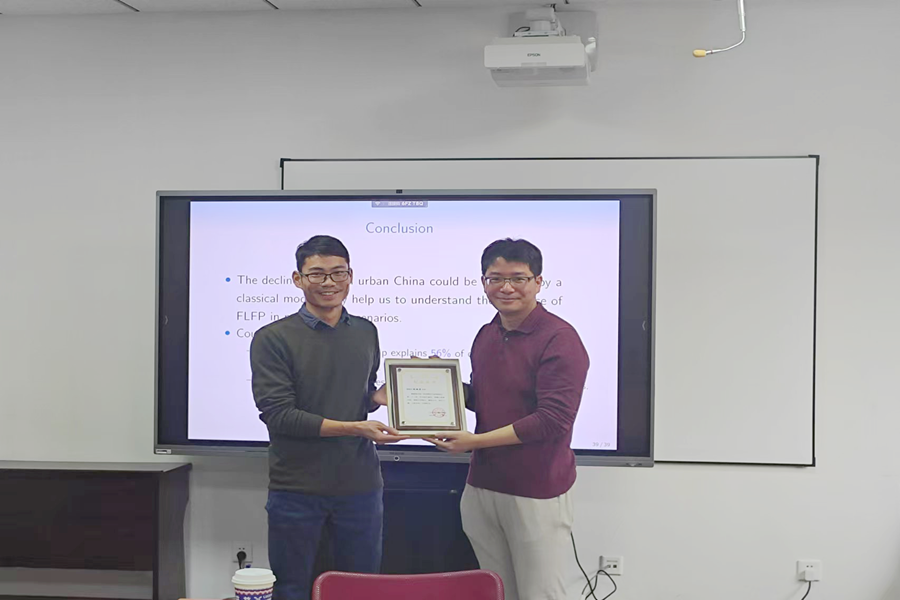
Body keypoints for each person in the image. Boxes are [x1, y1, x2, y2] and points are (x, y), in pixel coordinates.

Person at [428, 238, 590, 600]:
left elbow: (552, 420)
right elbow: (485, 399)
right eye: (496, 278)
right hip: (483, 485)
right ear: (483, 282)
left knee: (541, 593)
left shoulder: (560, 339)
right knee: (496, 591)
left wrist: (475, 442)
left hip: (536, 490)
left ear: (538, 282)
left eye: (518, 278)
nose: (506, 288)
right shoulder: (487, 333)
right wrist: (440, 383)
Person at [250, 235, 404, 600]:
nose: (329, 282)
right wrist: (354, 428)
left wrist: (382, 397)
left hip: (360, 486)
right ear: (298, 279)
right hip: (297, 488)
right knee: (292, 589)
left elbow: (359, 396)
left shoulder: (365, 331)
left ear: (351, 276)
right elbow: (279, 415)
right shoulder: (272, 338)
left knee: (360, 589)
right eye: (317, 274)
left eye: (338, 272)